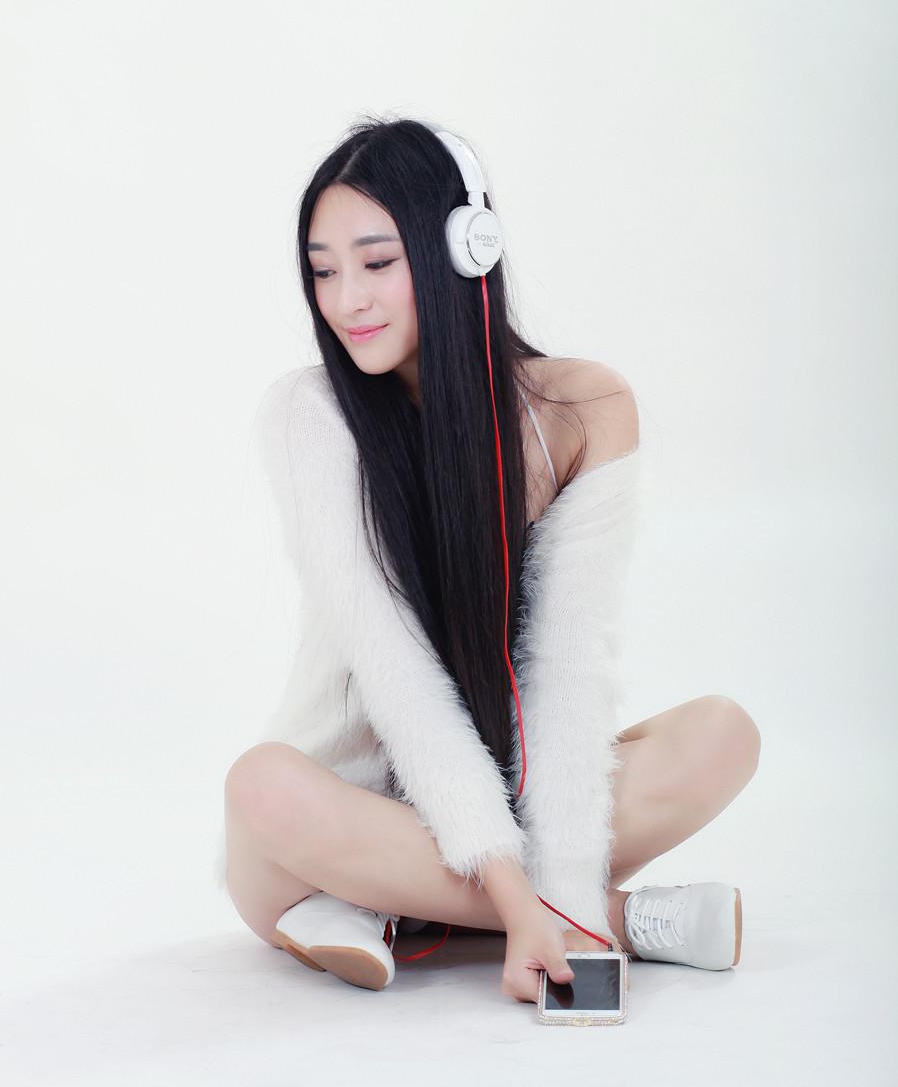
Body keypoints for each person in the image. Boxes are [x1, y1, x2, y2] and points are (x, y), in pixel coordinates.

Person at [218, 116, 760, 1002]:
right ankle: (614, 917)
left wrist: (555, 867)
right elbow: (392, 670)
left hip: (514, 805)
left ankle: (395, 906)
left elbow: (568, 669)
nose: (347, 300)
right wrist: (532, 902)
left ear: (466, 249)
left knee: (722, 735)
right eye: (323, 271)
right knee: (261, 785)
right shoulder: (306, 416)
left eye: (376, 262)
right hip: (334, 811)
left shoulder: (583, 411)